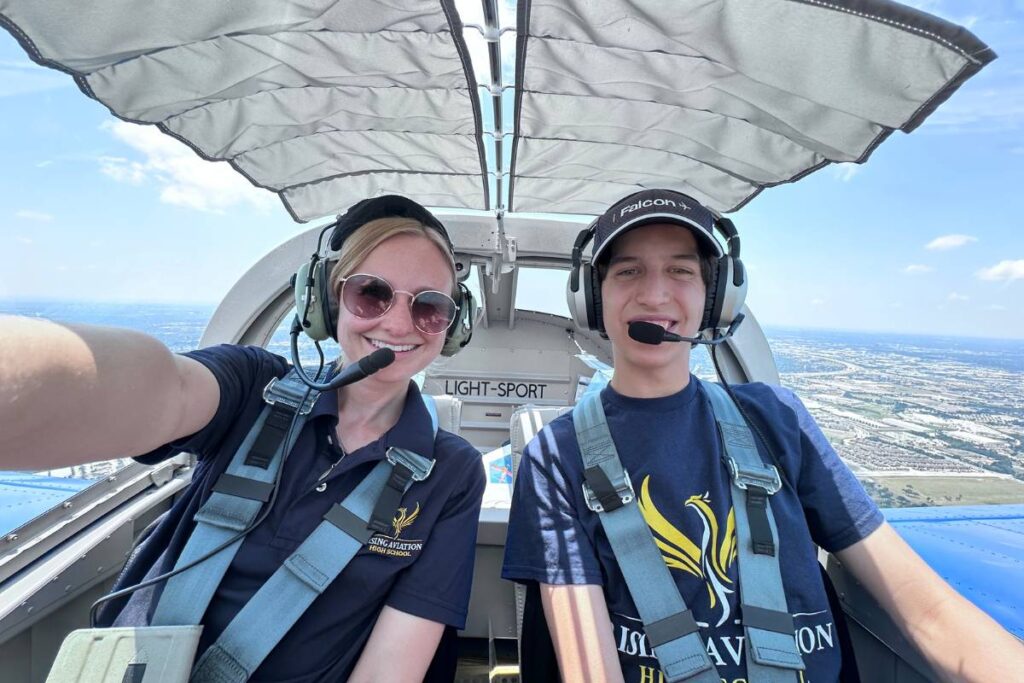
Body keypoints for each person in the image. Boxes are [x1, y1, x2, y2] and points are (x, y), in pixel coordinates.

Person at [501, 188, 1024, 683]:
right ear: (593, 297)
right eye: (628, 270)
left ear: (716, 298)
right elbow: (589, 667)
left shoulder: (777, 418)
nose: (654, 292)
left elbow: (927, 608)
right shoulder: (559, 453)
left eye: (680, 270)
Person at [0, 195, 486, 682]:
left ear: (453, 325)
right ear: (323, 300)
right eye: (371, 293)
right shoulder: (254, 389)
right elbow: (159, 388)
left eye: (429, 306)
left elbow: (389, 669)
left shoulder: (451, 472)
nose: (399, 324)